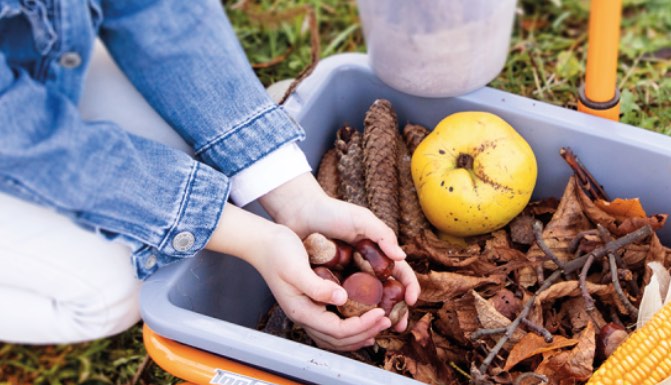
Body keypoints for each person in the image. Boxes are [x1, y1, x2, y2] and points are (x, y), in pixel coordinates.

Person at [0, 0, 419, 350]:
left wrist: (295, 197)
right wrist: (256, 238)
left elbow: (157, 9)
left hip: (41, 61)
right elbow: (22, 137)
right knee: (114, 289)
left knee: (208, 154)